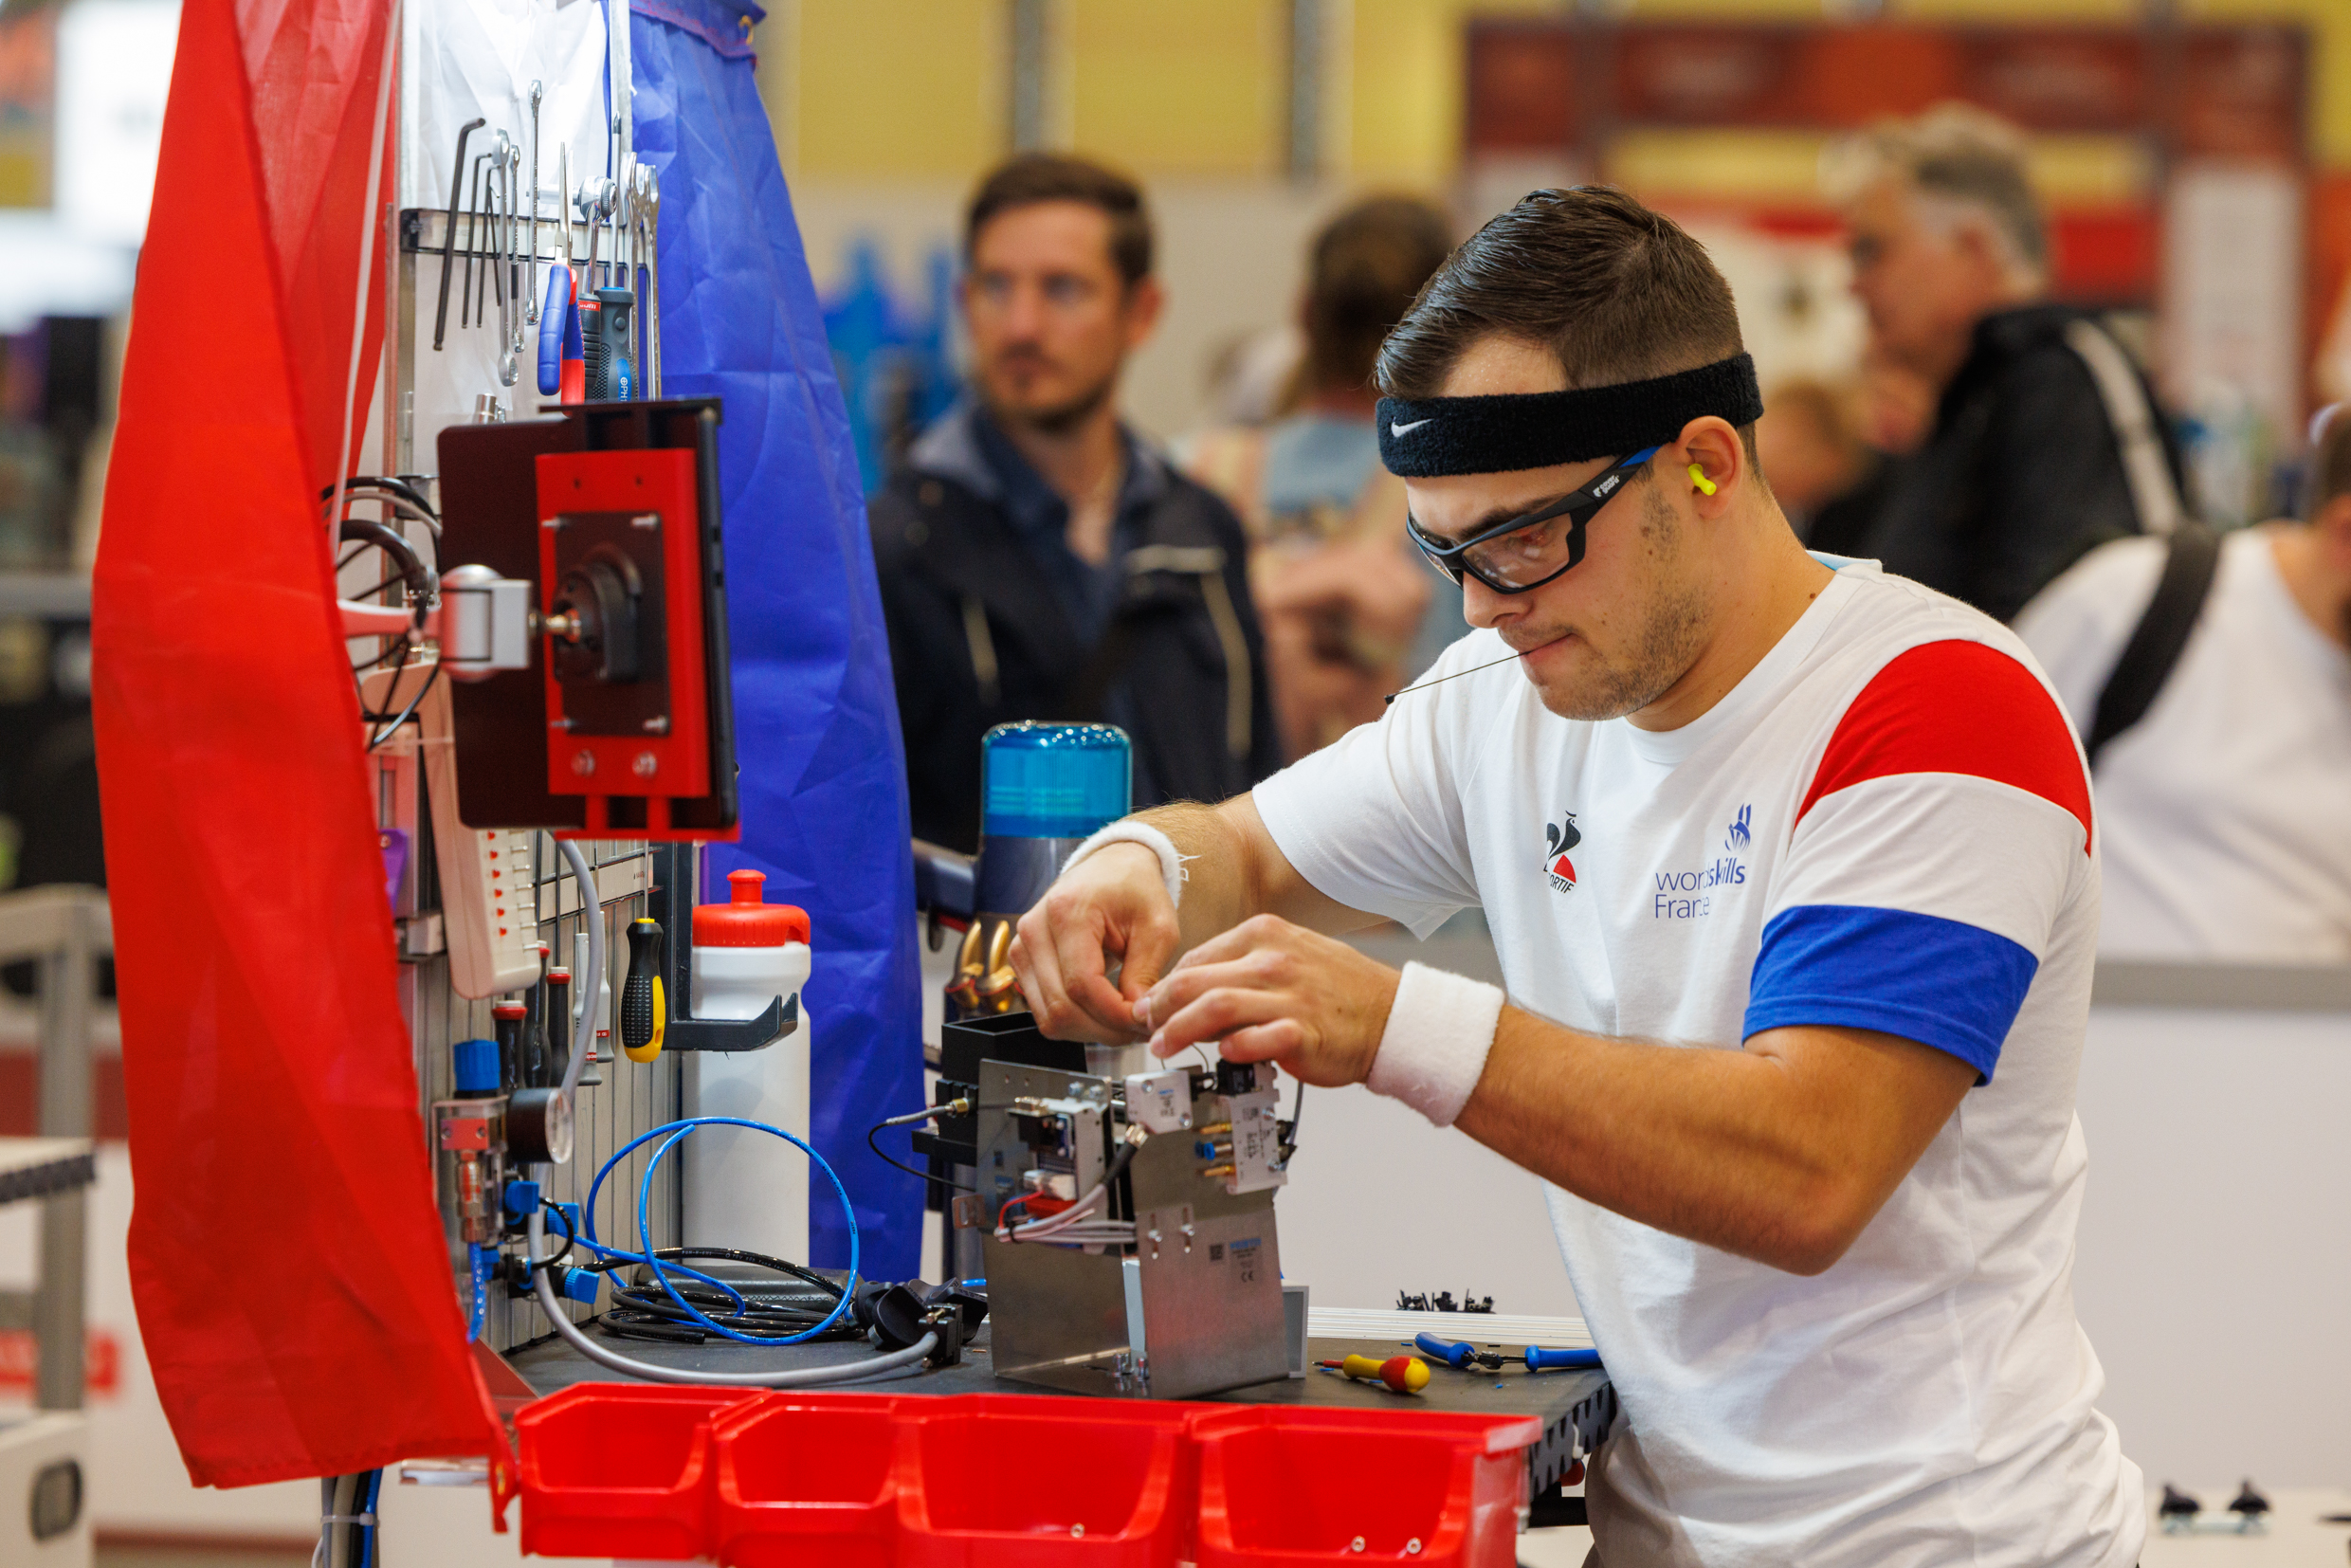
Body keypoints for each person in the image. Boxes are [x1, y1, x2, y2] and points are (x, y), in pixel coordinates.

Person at [1012, 189, 2141, 1566]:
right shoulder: (1507, 695)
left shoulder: (1936, 709)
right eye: (1447, 548)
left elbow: (1809, 1168)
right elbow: (1241, 851)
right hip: (1658, 1534)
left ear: (1708, 461)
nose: (1481, 602)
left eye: (1527, 536)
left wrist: (1394, 1025)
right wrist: (1130, 863)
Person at [869, 155, 1281, 852]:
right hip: (995, 955)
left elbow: (1262, 793)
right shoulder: (897, 547)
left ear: (1141, 312)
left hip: (1199, 954)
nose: (1022, 325)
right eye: (997, 287)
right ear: (965, 303)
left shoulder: (1202, 532)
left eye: (1062, 289)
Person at [2014, 405, 2351, 960]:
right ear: (2344, 537)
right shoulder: (2138, 599)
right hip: (2111, 1033)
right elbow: (1958, 812)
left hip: (2311, 1040)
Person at [1833, 103, 2186, 622]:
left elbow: (2059, 648)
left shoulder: (2063, 383)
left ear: (1971, 249)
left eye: (1873, 250)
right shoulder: (1981, 399)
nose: (1853, 284)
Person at [1185, 195, 1457, 758]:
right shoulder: (1457, 501)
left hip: (1207, 821)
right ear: (1448, 332)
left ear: (1304, 313)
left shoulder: (1189, 471)